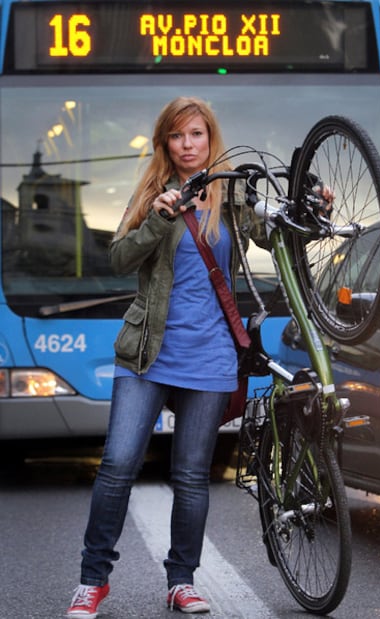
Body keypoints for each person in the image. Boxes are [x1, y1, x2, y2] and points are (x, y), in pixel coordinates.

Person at [66, 96, 267, 618]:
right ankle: (93, 580)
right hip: (147, 354)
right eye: (177, 136)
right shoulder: (155, 192)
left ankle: (182, 582)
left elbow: (275, 235)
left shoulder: (232, 194)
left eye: (196, 134)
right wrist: (158, 219)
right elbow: (118, 257)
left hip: (211, 355)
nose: (187, 145)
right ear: (165, 143)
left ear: (210, 138)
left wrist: (323, 204)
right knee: (117, 464)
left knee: (192, 475)